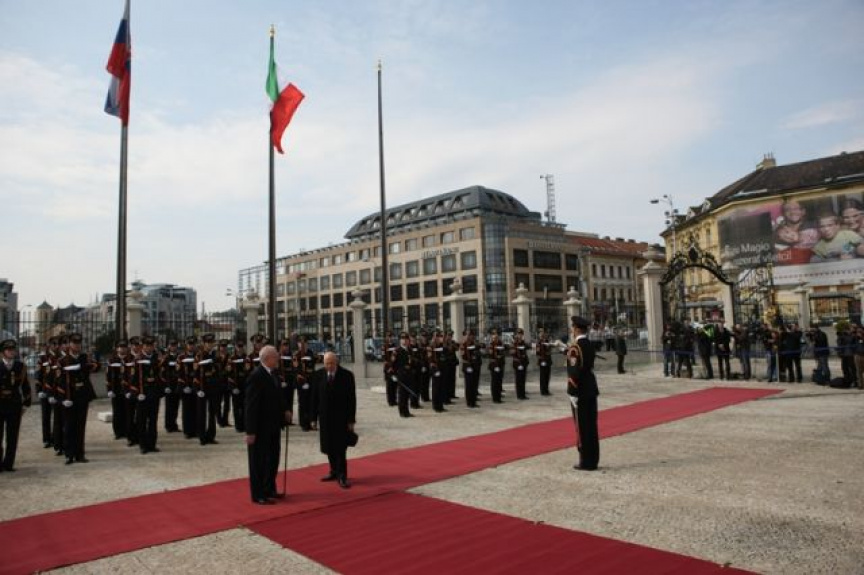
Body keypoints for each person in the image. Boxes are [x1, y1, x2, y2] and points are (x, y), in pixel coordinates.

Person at [244, 345, 292, 505]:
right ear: (267, 358)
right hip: (260, 428)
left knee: (272, 459)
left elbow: (279, 396)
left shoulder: (273, 374)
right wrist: (250, 431)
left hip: (274, 425)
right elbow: (251, 406)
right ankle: (258, 494)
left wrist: (286, 409)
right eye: (275, 356)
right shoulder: (256, 376)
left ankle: (269, 488)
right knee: (259, 462)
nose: (278, 358)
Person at [311, 352, 356, 489]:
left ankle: (342, 475)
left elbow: (351, 400)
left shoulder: (347, 376)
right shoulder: (318, 375)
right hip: (325, 418)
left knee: (340, 448)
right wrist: (313, 418)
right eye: (327, 363)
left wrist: (351, 420)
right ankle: (333, 471)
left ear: (336, 362)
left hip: (341, 418)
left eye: (331, 363)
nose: (329, 366)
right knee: (328, 446)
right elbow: (314, 398)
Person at [57, 334, 99, 464]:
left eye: (79, 343)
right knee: (69, 426)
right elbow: (58, 381)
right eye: (74, 343)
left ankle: (80, 454)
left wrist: (82, 366)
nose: (77, 345)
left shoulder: (84, 357)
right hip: (69, 396)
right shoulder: (62, 360)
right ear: (69, 344)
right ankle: (69, 454)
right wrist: (63, 397)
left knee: (80, 426)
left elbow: (96, 366)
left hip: (82, 395)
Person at [566, 316, 599, 471]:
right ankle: (593, 459)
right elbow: (585, 364)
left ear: (577, 329)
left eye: (573, 328)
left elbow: (574, 373)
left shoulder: (575, 348)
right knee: (591, 426)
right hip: (591, 388)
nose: (572, 330)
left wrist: (572, 392)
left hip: (580, 390)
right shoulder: (589, 345)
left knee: (582, 426)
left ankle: (585, 461)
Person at [1, 339, 31, 472]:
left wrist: (26, 403)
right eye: (8, 350)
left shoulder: (20, 366)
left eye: (13, 349)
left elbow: (25, 386)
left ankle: (9, 463)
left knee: (12, 435)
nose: (11, 352)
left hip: (14, 404)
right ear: (2, 352)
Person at [105, 340, 129, 440]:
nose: (122, 349)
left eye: (124, 347)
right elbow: (108, 376)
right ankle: (118, 432)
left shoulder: (130, 359)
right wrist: (109, 390)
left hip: (127, 390)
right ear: (117, 349)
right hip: (116, 389)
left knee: (127, 412)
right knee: (117, 412)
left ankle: (127, 431)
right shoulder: (112, 360)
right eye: (120, 347)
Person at [487, 330, 505, 403]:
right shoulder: (491, 344)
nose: (496, 336)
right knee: (494, 382)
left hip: (500, 365)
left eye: (497, 335)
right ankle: (495, 398)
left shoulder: (500, 343)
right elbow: (490, 355)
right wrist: (495, 365)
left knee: (499, 381)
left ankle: (499, 397)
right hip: (494, 365)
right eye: (494, 335)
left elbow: (503, 352)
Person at [512, 329, 530, 399]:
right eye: (518, 334)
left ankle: (523, 394)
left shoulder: (523, 342)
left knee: (523, 379)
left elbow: (528, 347)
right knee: (518, 380)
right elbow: (513, 353)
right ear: (516, 335)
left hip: (523, 363)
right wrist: (518, 364)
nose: (520, 335)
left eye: (521, 334)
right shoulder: (514, 342)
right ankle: (519, 395)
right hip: (518, 363)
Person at [536, 328, 553, 395]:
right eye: (540, 332)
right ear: (539, 334)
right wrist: (541, 360)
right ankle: (543, 391)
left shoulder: (547, 341)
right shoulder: (538, 342)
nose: (542, 334)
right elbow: (537, 352)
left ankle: (546, 390)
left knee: (547, 376)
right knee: (543, 377)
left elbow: (550, 349)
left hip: (548, 360)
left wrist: (550, 345)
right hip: (542, 361)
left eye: (543, 332)